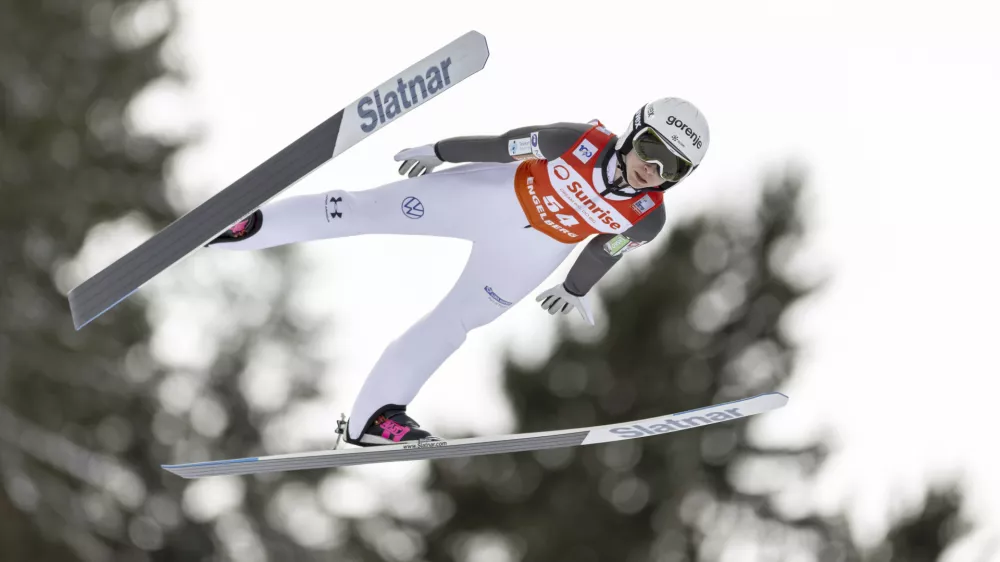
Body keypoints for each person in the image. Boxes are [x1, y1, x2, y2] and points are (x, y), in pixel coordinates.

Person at [207, 97, 711, 447]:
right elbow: (505, 144)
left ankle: (375, 418)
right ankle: (252, 224)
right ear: (633, 132)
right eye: (651, 149)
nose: (652, 169)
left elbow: (607, 247)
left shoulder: (648, 218)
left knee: (455, 323)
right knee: (365, 210)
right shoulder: (578, 142)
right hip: (490, 197)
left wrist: (575, 287)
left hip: (532, 251)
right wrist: (441, 151)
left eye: (671, 167)